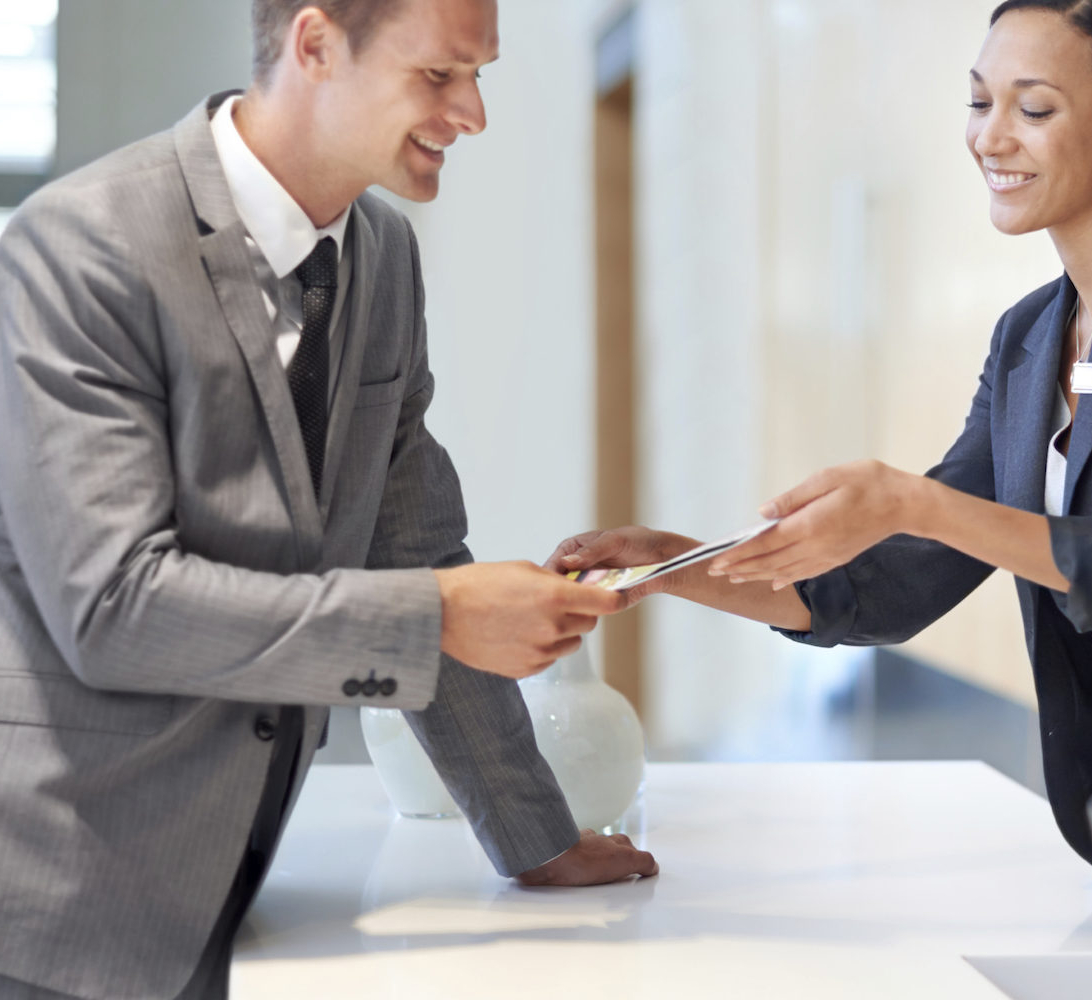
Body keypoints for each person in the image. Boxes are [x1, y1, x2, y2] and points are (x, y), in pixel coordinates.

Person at [551, 0, 1092, 961]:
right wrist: (672, 566)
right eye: (979, 102)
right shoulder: (1026, 339)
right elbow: (887, 588)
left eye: (1034, 108)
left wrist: (917, 500)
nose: (991, 137)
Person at [0, 1, 657, 997]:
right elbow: (113, 609)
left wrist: (534, 840)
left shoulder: (382, 256)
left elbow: (415, 545)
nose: (471, 113)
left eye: (479, 75)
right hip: (51, 897)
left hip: (232, 878)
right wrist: (438, 619)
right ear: (313, 45)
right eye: (438, 75)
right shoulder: (81, 245)